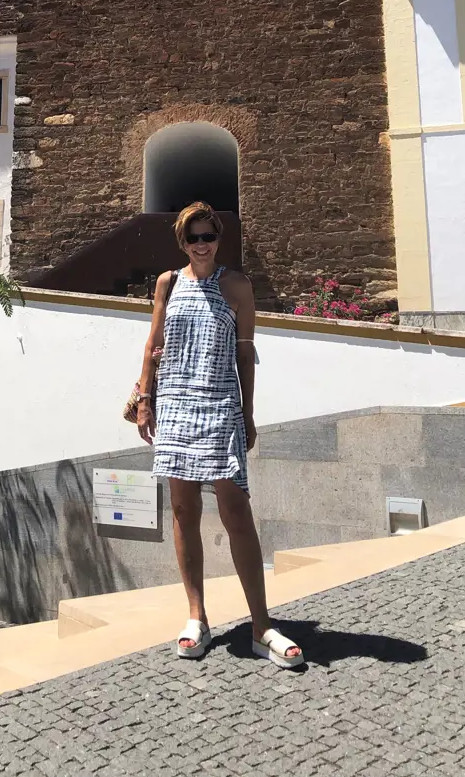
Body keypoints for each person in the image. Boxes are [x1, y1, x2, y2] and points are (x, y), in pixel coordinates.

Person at [135, 201, 303, 667]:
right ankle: (196, 617)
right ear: (182, 242)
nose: (201, 244)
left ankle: (260, 623)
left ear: (219, 239)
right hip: (176, 403)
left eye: (208, 236)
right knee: (183, 508)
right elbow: (154, 346)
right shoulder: (167, 283)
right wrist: (145, 398)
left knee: (236, 511)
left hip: (219, 404)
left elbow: (245, 353)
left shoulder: (237, 286)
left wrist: (248, 414)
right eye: (193, 237)